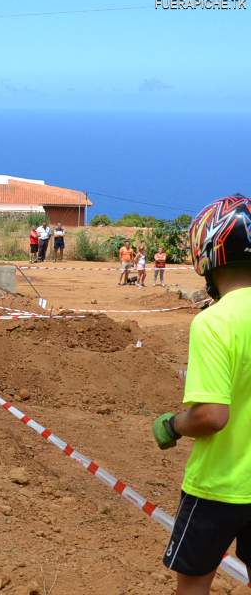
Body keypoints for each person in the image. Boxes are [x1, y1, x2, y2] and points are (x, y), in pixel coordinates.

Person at [152, 195, 251, 595]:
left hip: (217, 486)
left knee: (193, 586)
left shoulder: (213, 322)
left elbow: (211, 416)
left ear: (207, 253)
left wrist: (173, 425)